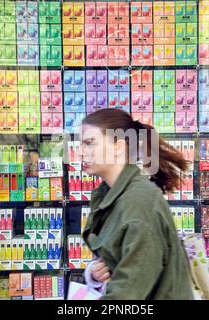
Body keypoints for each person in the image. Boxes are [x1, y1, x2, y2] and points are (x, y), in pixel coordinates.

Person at [81, 108, 194, 300]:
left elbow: (128, 295)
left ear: (118, 147)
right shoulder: (113, 194)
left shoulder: (138, 203)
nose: (81, 152)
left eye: (90, 143)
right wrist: (94, 272)